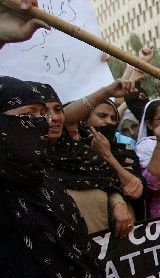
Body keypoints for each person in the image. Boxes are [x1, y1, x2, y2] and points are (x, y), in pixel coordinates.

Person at [0, 76, 149, 278]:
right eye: (32, 113)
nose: (46, 122)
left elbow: (77, 248)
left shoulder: (46, 185)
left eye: (49, 112)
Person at [33, 82, 141, 236]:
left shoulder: (88, 156)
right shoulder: (29, 161)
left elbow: (125, 188)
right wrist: (106, 91)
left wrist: (118, 202)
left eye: (58, 110)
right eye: (43, 112)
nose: (54, 118)